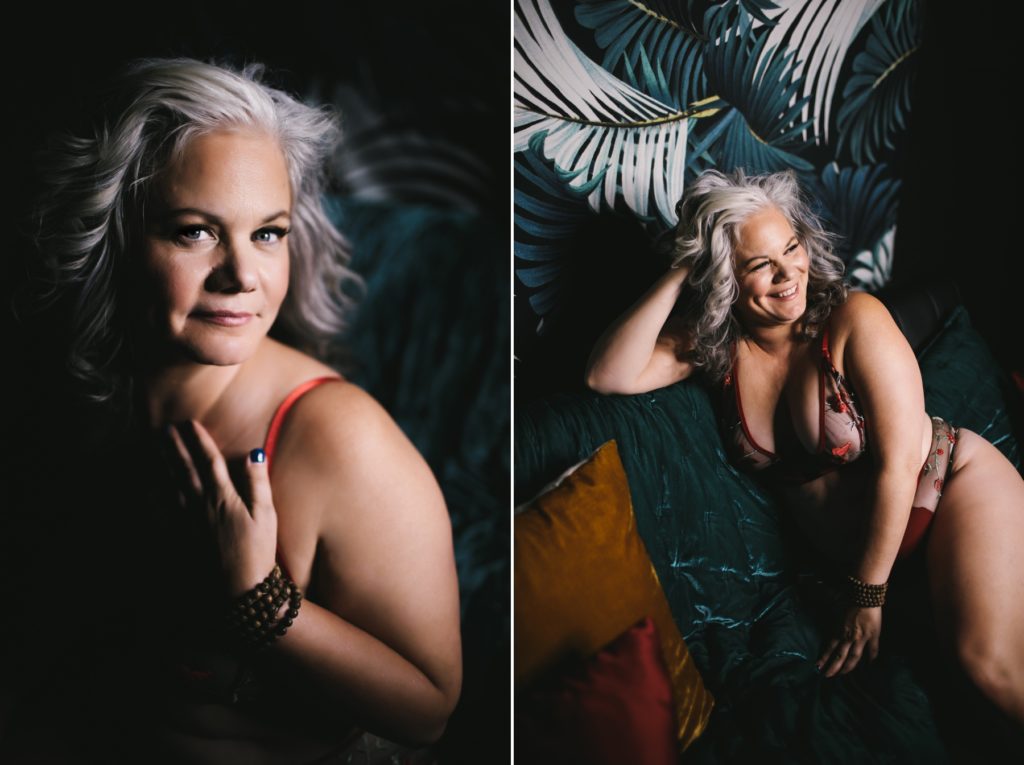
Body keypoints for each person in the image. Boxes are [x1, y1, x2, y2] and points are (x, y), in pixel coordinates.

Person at [13, 57, 462, 763]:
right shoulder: (80, 393)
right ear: (115, 231)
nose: (243, 276)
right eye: (196, 230)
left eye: (268, 233)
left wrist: (260, 600)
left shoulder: (343, 441)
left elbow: (430, 710)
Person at [584, 168, 1024, 729]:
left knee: (988, 667)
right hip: (874, 562)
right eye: (759, 264)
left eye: (791, 248)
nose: (788, 273)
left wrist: (866, 599)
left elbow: (897, 467)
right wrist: (683, 270)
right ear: (724, 278)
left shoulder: (852, 321)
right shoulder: (716, 352)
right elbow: (606, 375)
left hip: (948, 490)